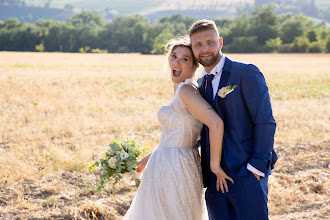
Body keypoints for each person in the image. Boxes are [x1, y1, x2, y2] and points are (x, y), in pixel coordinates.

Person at [124, 36, 234, 220]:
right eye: (174, 56)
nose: (176, 62)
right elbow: (179, 134)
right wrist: (148, 158)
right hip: (165, 162)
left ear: (194, 67)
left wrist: (215, 167)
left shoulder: (186, 91)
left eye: (185, 59)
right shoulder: (182, 90)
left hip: (177, 168)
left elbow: (215, 123)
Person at [188, 19, 278, 220]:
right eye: (198, 45)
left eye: (210, 42)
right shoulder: (199, 85)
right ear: (192, 49)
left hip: (247, 174)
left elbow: (265, 122)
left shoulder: (245, 72)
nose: (205, 49)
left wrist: (256, 167)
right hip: (214, 181)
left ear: (220, 42)